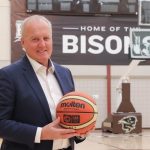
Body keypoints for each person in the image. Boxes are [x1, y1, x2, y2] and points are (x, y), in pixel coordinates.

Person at [0, 15, 86, 150]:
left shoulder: (65, 73)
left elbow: (71, 114)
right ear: (23, 42)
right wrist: (40, 134)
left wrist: (80, 131)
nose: (42, 44)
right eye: (35, 39)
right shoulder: (8, 75)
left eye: (46, 38)